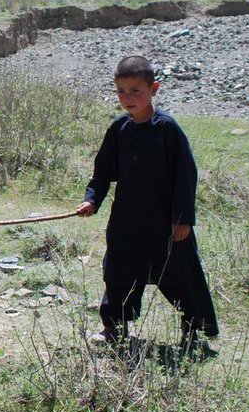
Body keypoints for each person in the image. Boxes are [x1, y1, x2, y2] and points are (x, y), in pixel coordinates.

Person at [76, 55, 219, 355]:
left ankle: (192, 330)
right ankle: (115, 327)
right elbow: (103, 172)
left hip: (166, 224)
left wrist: (182, 219)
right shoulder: (119, 130)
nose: (127, 98)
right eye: (121, 92)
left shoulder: (167, 130)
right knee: (118, 273)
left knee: (180, 275)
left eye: (135, 91)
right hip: (127, 221)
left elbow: (186, 175)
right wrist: (92, 199)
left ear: (154, 89)